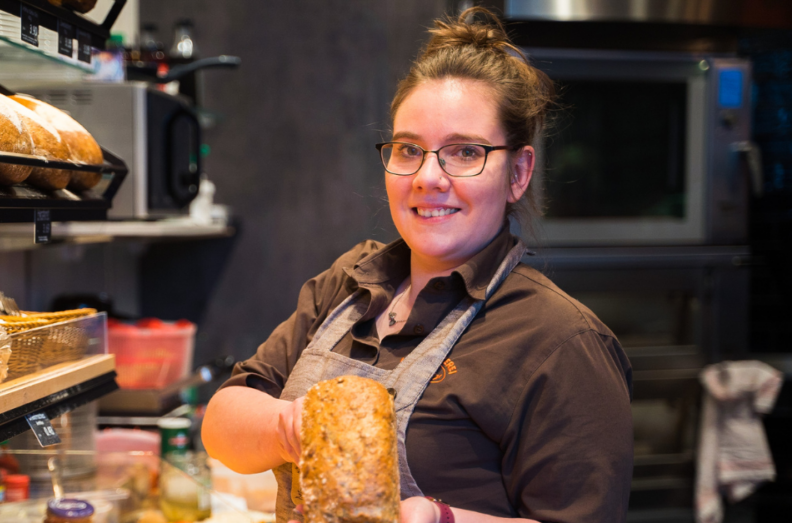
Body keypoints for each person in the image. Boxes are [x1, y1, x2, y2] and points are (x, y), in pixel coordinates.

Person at [202, 7, 633, 523]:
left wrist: (438, 520)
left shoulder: (561, 342)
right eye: (410, 149)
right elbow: (224, 426)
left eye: (464, 152)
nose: (428, 177)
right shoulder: (349, 283)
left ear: (518, 173)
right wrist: (300, 426)